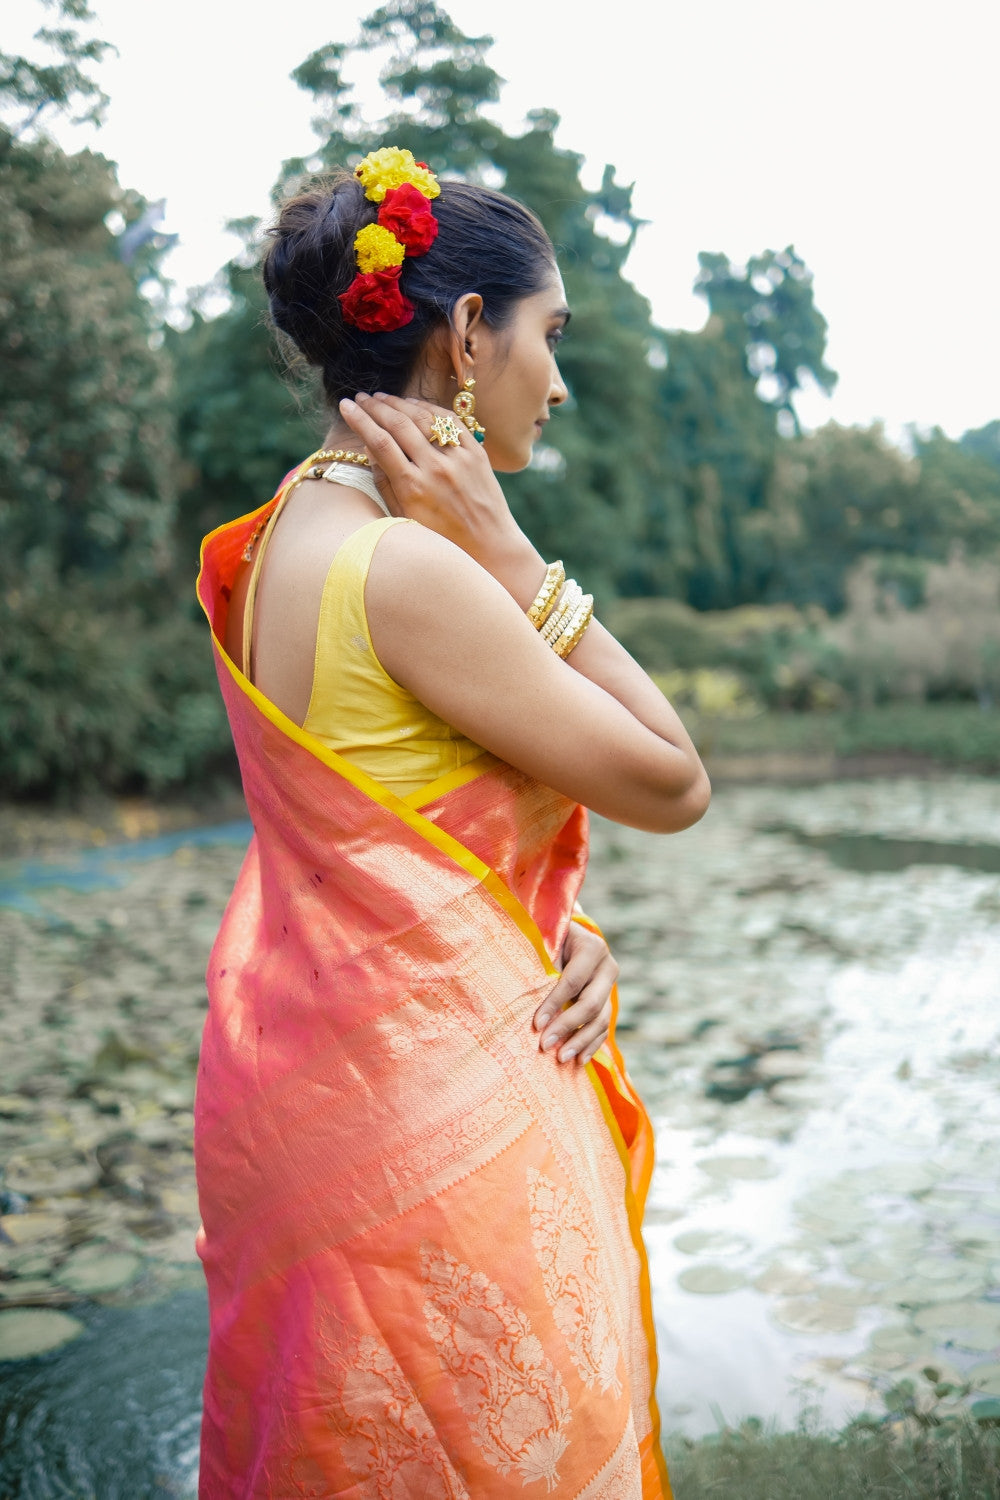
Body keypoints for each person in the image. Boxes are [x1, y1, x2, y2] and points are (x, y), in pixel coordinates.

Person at [195, 146, 709, 1499]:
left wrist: (552, 926)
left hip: (305, 1099)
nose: (561, 378)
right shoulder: (412, 568)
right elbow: (671, 779)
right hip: (429, 1130)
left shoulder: (279, 541)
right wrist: (516, 558)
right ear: (470, 333)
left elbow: (390, 824)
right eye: (551, 334)